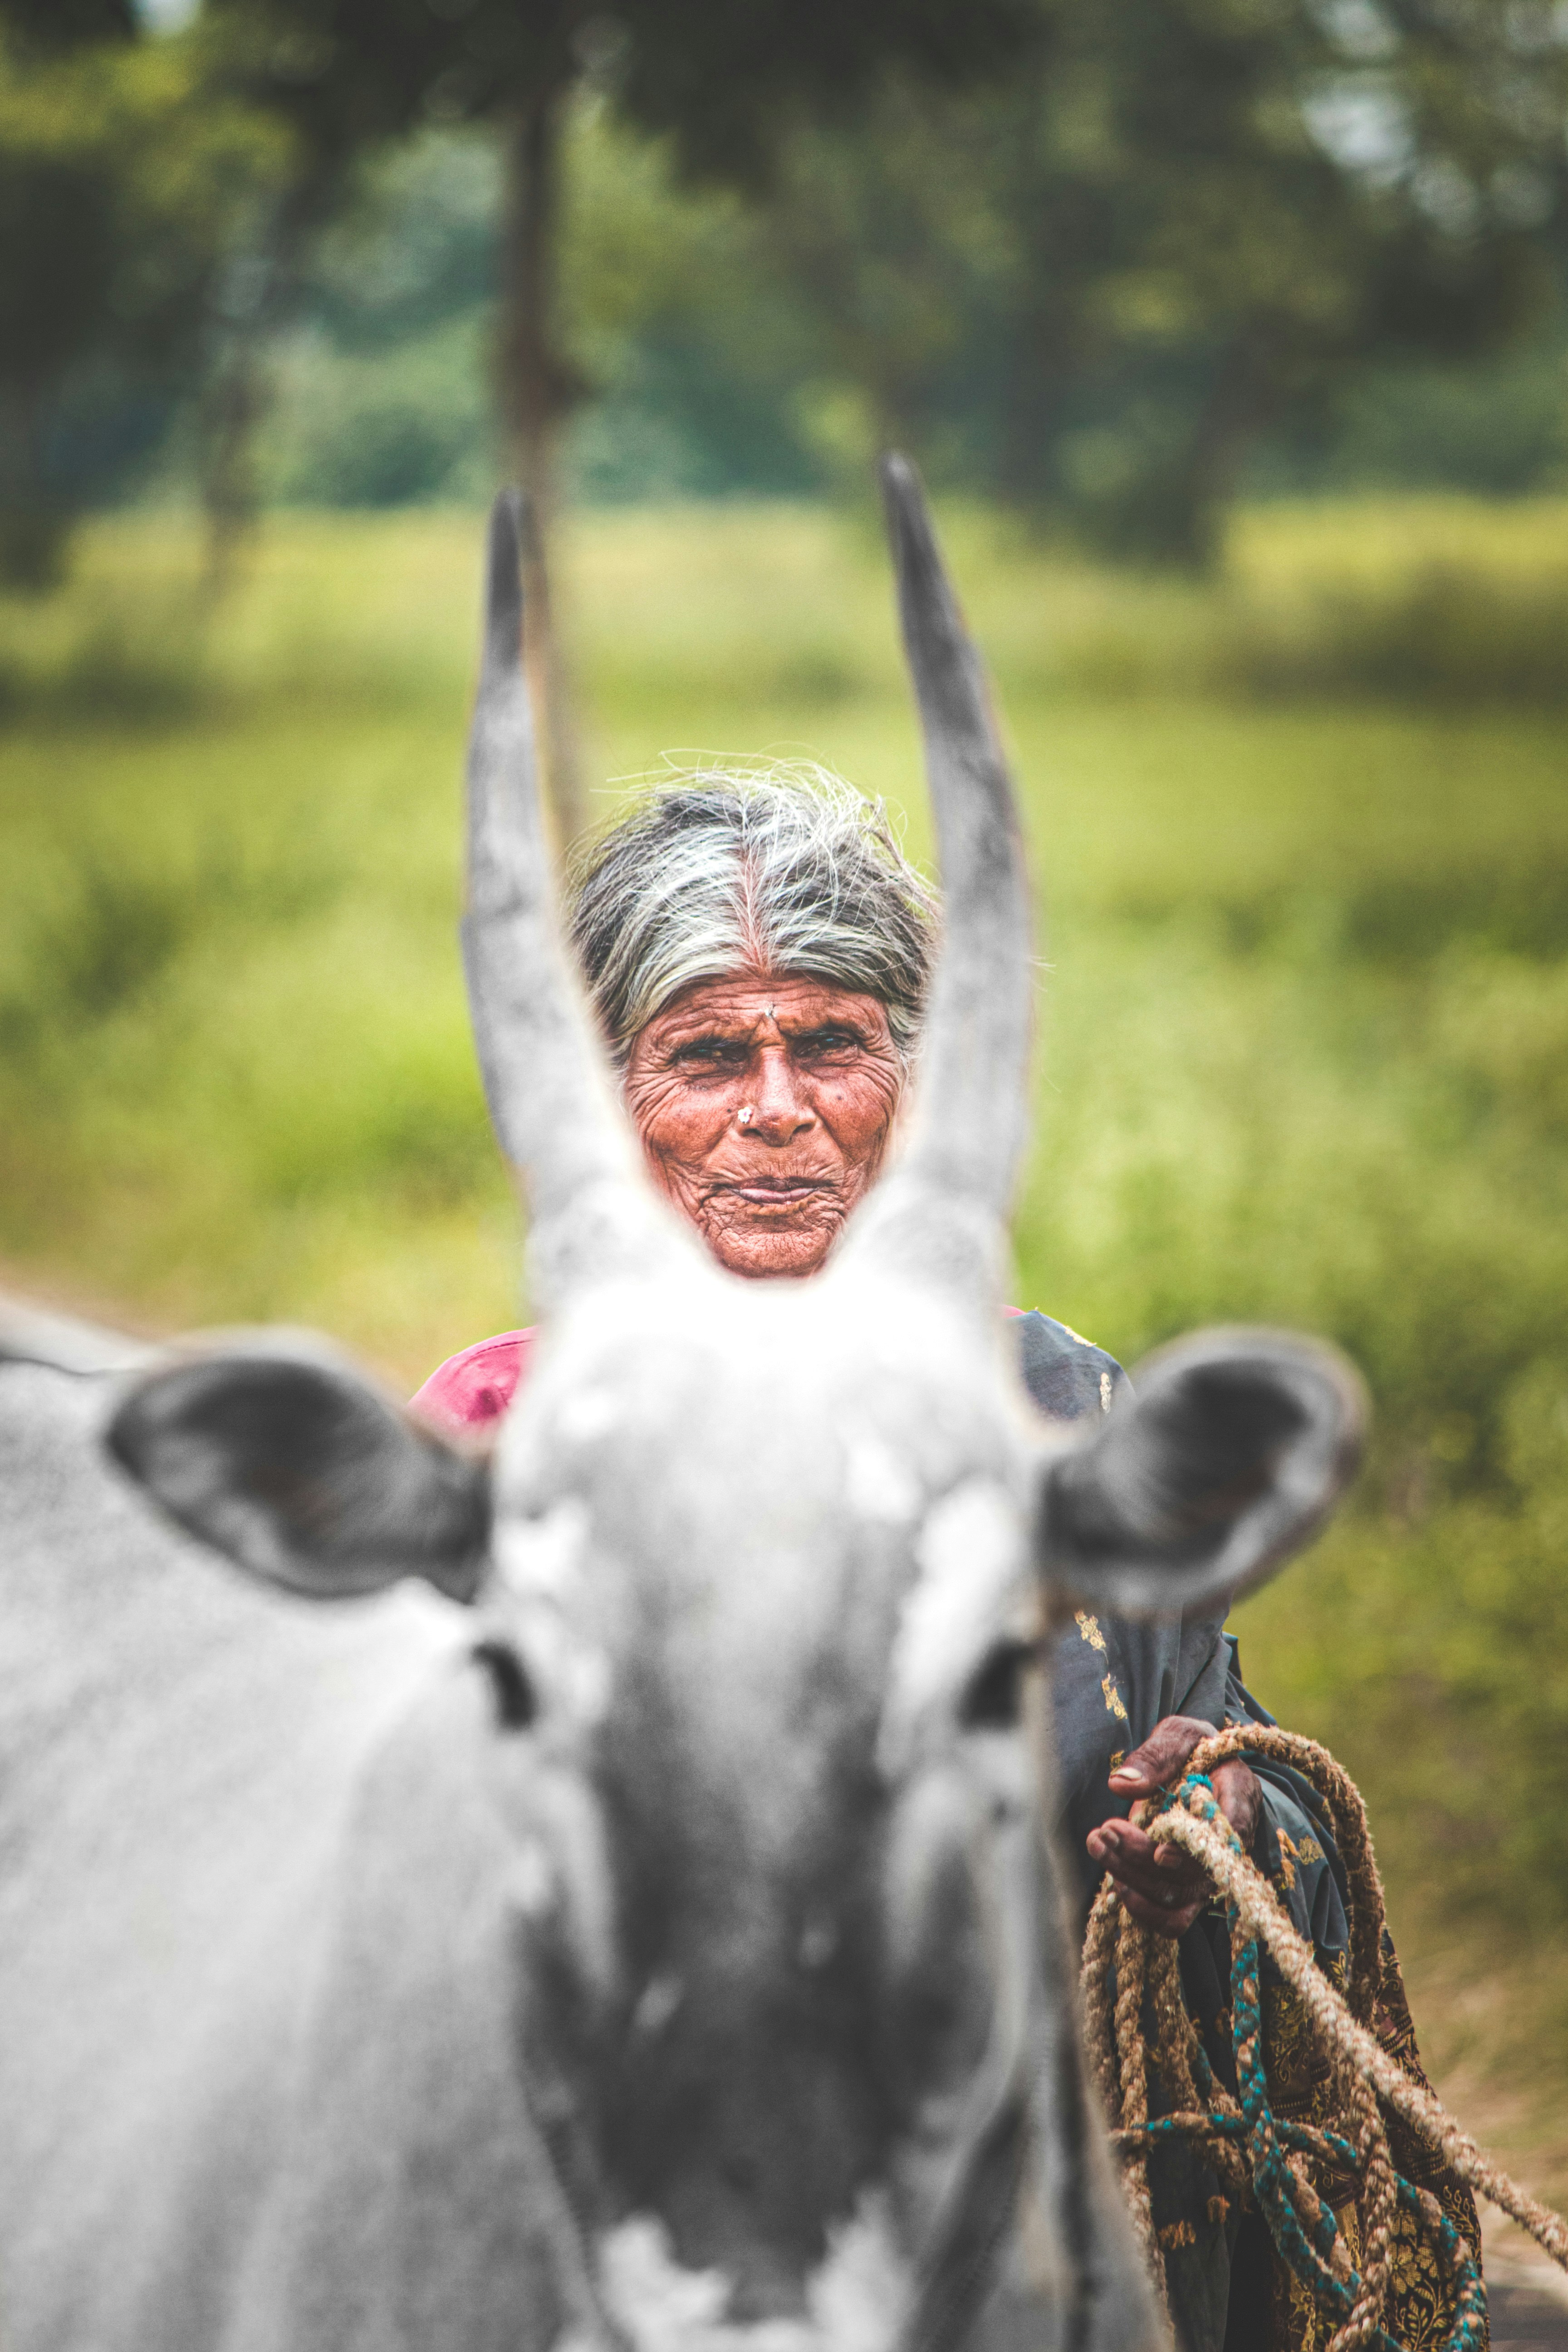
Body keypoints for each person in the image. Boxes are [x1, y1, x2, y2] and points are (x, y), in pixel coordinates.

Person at [413, 769, 1475, 2352]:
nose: (778, 1109)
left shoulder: (1062, 1422)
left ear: (911, 1087)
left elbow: (1234, 1753)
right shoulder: (506, 1444)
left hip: (1030, 2239)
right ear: (601, 1105)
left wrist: (1234, 1831)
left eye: (831, 1044)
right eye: (708, 1055)